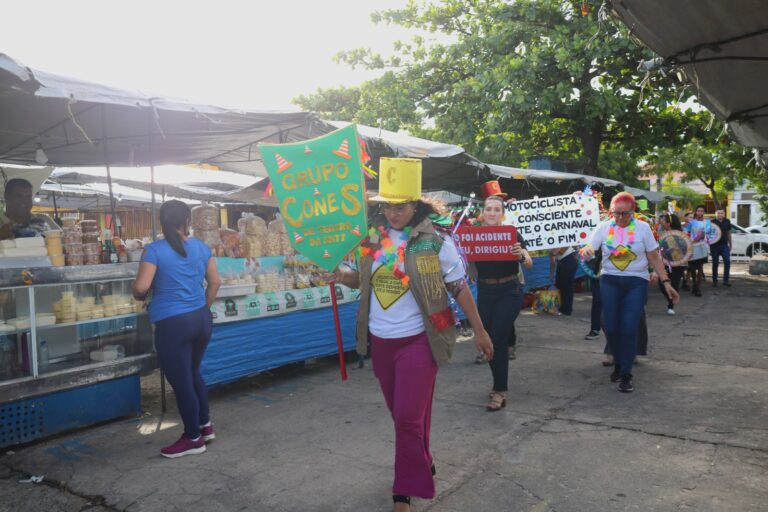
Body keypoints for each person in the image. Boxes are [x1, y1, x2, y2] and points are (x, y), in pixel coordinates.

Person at [332, 158, 492, 512]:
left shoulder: (435, 242)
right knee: (404, 415)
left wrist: (480, 330)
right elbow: (362, 279)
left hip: (420, 340)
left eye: (400, 206)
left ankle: (403, 489)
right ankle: (421, 458)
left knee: (406, 417)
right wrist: (339, 276)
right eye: (388, 206)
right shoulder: (372, 239)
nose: (393, 214)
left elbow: (460, 288)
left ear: (415, 206)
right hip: (381, 341)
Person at [132, 200, 222, 458]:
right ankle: (205, 427)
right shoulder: (201, 247)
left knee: (181, 382)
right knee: (193, 373)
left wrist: (137, 293)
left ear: (162, 221)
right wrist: (201, 308)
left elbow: (141, 288)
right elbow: (215, 282)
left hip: (173, 324)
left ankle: (193, 438)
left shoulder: (154, 251)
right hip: (201, 319)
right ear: (188, 222)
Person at [580, 192, 679, 393]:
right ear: (611, 212)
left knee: (629, 326)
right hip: (610, 281)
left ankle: (626, 373)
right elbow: (591, 246)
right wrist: (587, 251)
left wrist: (666, 281)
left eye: (625, 214)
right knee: (611, 326)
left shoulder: (642, 229)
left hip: (636, 282)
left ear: (633, 212)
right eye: (616, 214)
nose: (620, 218)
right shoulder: (604, 227)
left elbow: (653, 255)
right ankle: (618, 361)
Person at [471, 191, 533, 411]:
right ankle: (498, 382)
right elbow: (468, 267)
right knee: (487, 341)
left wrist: (521, 254)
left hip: (510, 290)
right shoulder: (474, 235)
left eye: (497, 210)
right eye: (488, 209)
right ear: (482, 213)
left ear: (503, 214)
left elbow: (528, 262)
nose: (492, 213)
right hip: (485, 290)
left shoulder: (511, 234)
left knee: (497, 340)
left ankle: (499, 391)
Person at [657, 213, 687, 315]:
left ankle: (671, 305)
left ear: (669, 223)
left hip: (678, 264)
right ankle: (672, 299)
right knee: (662, 284)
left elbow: (685, 249)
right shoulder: (662, 233)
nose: (661, 222)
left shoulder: (680, 234)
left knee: (673, 284)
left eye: (664, 220)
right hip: (664, 263)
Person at [684, 205, 709, 297]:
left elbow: (706, 234)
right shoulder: (692, 222)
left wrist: (697, 238)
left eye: (702, 211)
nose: (700, 212)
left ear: (704, 212)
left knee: (700, 267)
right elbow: (687, 232)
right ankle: (694, 285)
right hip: (692, 247)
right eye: (698, 211)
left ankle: (698, 288)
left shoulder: (707, 222)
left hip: (702, 246)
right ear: (696, 212)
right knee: (692, 268)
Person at [549, 246, 578, 316]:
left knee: (567, 286)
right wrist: (552, 273)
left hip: (568, 258)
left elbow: (559, 249)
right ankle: (561, 308)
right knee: (560, 285)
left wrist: (555, 252)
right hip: (561, 260)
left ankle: (567, 310)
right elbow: (552, 258)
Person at [710, 208, 732, 287]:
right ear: (716, 214)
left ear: (724, 214)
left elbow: (729, 233)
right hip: (714, 246)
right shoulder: (712, 222)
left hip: (724, 245)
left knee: (727, 262)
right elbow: (708, 234)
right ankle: (714, 281)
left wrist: (730, 244)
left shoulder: (727, 221)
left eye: (722, 213)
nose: (720, 214)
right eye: (718, 213)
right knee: (715, 263)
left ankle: (726, 281)